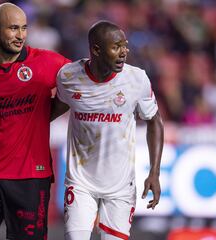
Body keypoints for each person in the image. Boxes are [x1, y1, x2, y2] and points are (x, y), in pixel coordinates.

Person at [0, 3, 70, 240]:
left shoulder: (49, 62)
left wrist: (45, 114)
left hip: (31, 176)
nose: (20, 36)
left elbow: (79, 84)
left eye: (24, 28)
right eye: (13, 29)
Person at [52, 21, 164, 240]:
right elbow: (54, 110)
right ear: (96, 50)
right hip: (80, 182)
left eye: (125, 45)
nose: (124, 52)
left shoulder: (136, 79)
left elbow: (154, 121)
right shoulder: (68, 77)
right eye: (116, 47)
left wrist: (154, 172)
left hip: (120, 188)